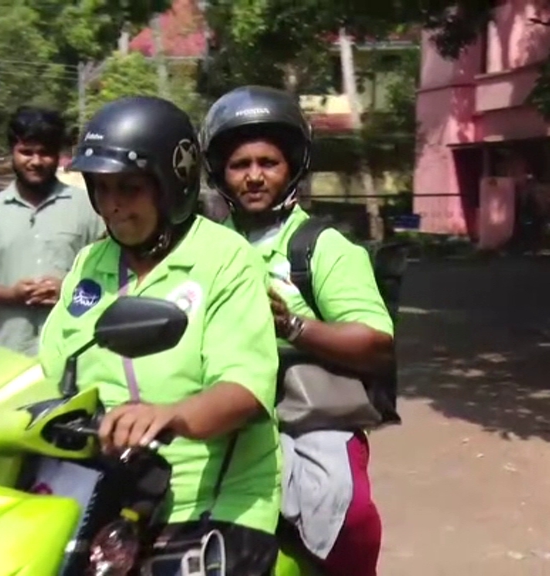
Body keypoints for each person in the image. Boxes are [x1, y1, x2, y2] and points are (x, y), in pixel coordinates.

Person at [38, 96, 282, 576]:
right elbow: (50, 368)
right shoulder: (92, 262)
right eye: (101, 188)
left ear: (172, 185)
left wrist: (167, 416)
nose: (112, 204)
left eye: (129, 187)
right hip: (107, 488)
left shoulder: (225, 259)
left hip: (211, 498)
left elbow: (246, 389)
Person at [199, 85, 391, 576]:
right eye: (241, 165)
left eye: (269, 162)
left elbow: (376, 345)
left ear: (293, 169)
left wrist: (292, 324)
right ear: (220, 172)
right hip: (221, 411)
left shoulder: (319, 247)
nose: (254, 176)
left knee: (350, 517)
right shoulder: (206, 246)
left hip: (309, 418)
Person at [0, 106, 104, 355]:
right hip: (11, 358)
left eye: (45, 153)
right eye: (26, 152)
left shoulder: (89, 208)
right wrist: (12, 294)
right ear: (12, 153)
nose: (35, 162)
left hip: (76, 357)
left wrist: (68, 291)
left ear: (58, 155)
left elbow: (112, 280)